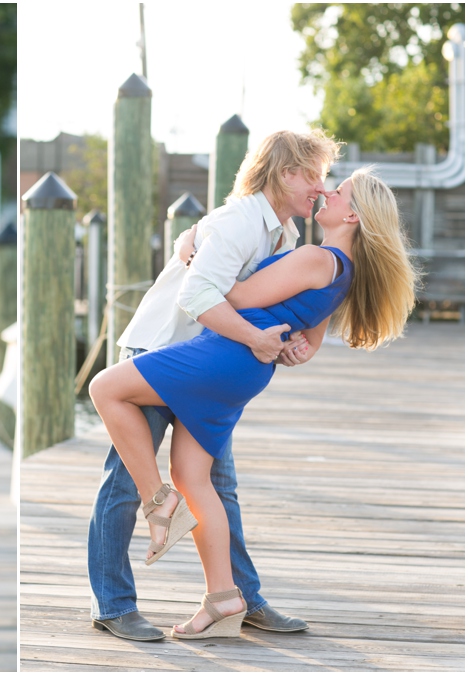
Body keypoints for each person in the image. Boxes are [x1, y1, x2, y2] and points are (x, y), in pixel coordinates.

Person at [90, 167, 417, 639]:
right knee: (196, 477)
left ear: (352, 214)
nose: (326, 190)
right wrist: (194, 239)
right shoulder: (335, 266)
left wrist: (198, 258)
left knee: (105, 388)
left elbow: (235, 293)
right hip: (243, 366)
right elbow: (308, 332)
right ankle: (223, 599)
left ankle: (158, 502)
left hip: (222, 355)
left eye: (337, 190)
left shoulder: (312, 255)